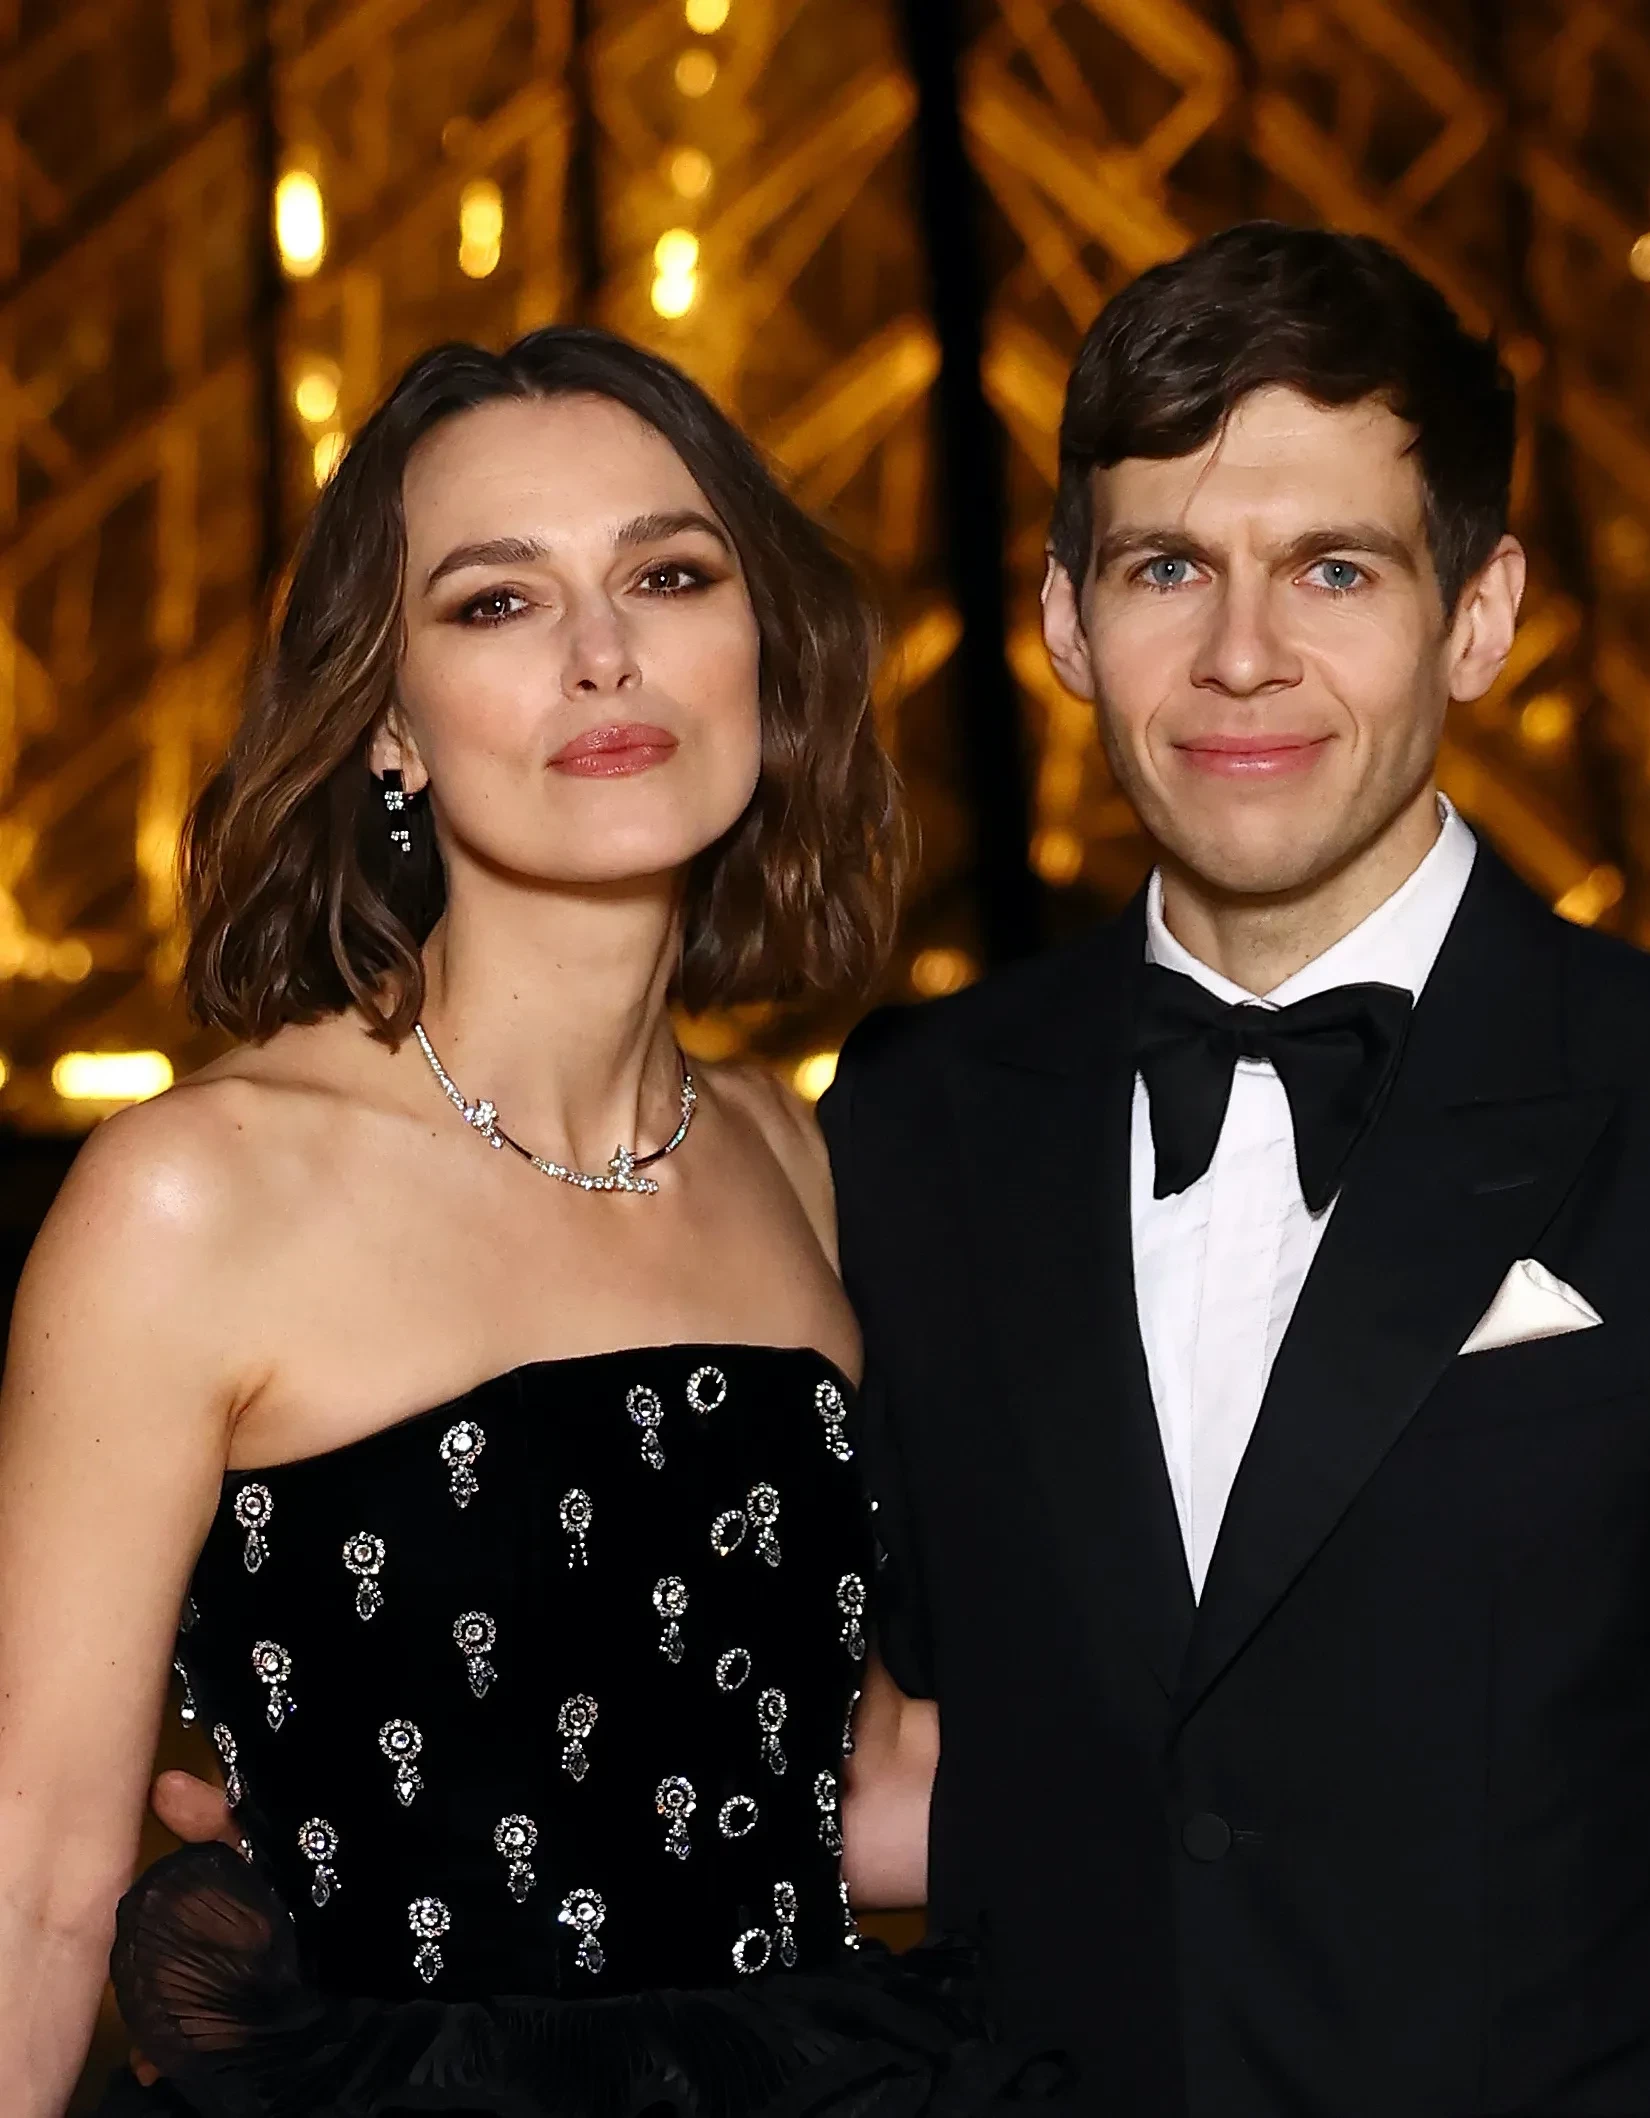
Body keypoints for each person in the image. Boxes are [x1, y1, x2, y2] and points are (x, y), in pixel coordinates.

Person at [819, 223, 1650, 2116]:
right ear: (1063, 620)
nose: (1239, 656)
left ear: (1478, 613)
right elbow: (885, 1731)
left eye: (1332, 568)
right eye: (1166, 567)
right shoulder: (913, 1115)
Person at [0, 326, 1050, 2117]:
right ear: (388, 722)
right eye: (497, 601)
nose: (601, 651)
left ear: (762, 653)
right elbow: (35, 1873)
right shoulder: (196, 1194)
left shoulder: (786, 1154)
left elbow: (846, 1778)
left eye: (669, 573)